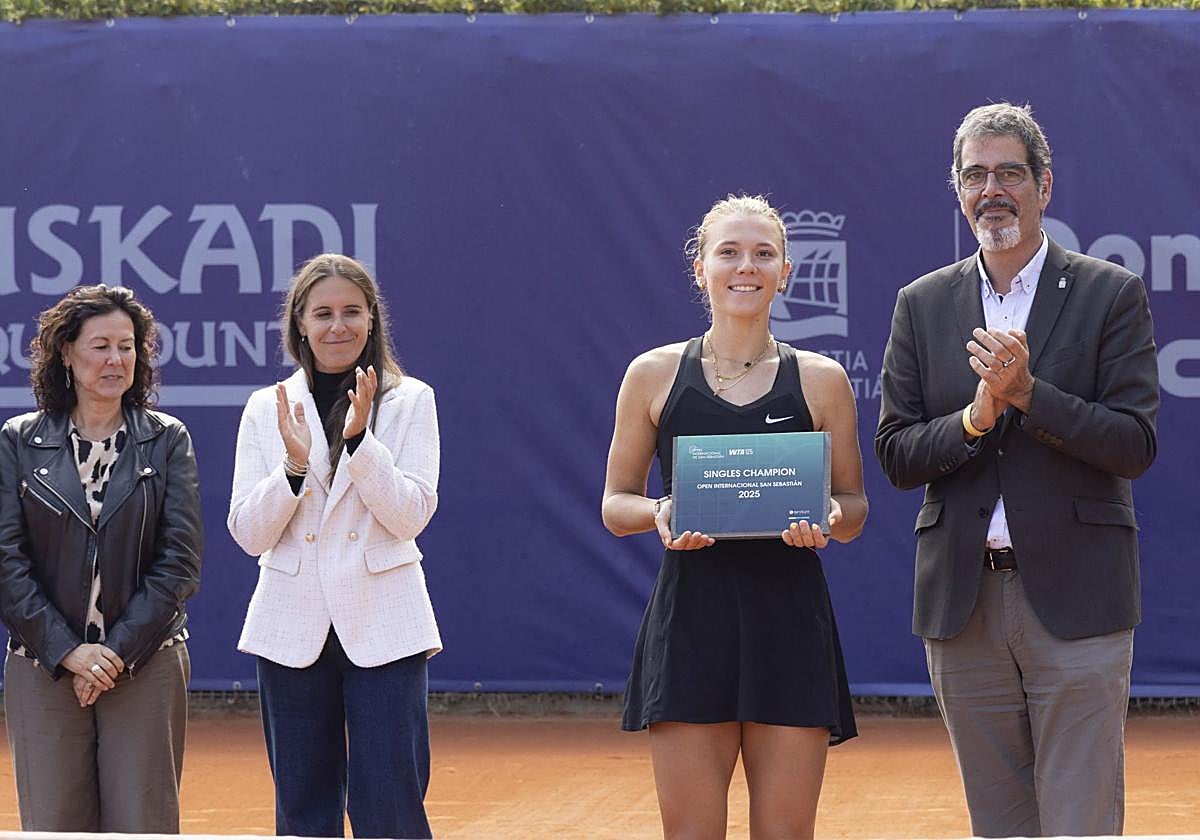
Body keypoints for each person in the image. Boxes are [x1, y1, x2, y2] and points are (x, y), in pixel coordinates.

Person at [875, 102, 1159, 837]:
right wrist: (975, 418)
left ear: (1044, 186)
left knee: (1080, 820)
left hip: (1077, 596)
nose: (991, 189)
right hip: (963, 604)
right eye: (975, 175)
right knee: (999, 825)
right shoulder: (922, 304)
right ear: (958, 190)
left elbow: (1133, 443)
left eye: (1009, 172)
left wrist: (1030, 395)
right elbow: (897, 453)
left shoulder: (1109, 294)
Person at [602, 195, 868, 839]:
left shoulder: (824, 379)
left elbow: (854, 507)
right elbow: (617, 504)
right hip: (691, 626)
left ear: (786, 271)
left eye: (762, 253)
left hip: (791, 626)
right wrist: (661, 511)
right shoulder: (653, 374)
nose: (744, 266)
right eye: (728, 252)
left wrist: (829, 517)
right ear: (701, 268)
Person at [228, 253, 441, 839]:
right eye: (322, 313)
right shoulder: (264, 408)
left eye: (352, 312)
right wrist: (294, 466)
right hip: (291, 628)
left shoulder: (410, 400)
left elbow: (410, 515)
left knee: (391, 807)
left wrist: (359, 442)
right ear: (300, 323)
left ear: (373, 321)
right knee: (302, 809)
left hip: (384, 625)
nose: (337, 326)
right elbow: (249, 532)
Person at [0, 284, 202, 833]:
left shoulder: (166, 440)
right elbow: (6, 563)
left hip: (145, 662)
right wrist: (69, 653)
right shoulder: (17, 442)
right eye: (100, 346)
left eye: (128, 346)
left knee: (143, 824)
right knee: (54, 826)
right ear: (66, 352)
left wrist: (110, 655)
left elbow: (178, 564)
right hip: (44, 666)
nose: (116, 360)